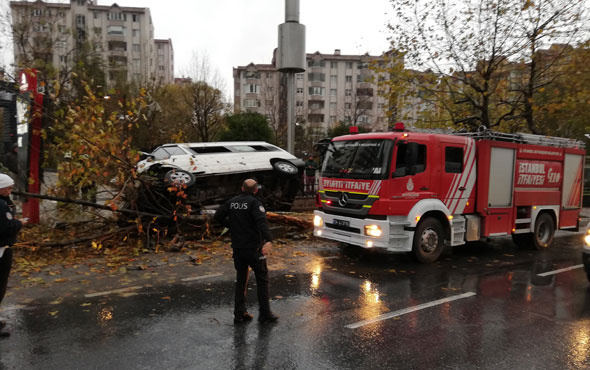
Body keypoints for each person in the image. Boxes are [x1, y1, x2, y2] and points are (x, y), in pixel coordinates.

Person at [214, 178, 278, 324]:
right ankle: (265, 314)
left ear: (242, 189)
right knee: (262, 278)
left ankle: (239, 313)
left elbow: (217, 216)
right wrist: (269, 240)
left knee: (241, 279)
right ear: (256, 190)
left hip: (238, 248)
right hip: (254, 248)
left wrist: (231, 225)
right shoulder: (255, 203)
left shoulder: (232, 202)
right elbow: (262, 222)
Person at [0, 174, 25, 338]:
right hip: (1, 249)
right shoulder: (1, 205)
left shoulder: (4, 203)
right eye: (8, 187)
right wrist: (20, 223)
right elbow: (6, 227)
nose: (10, 190)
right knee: (0, 284)